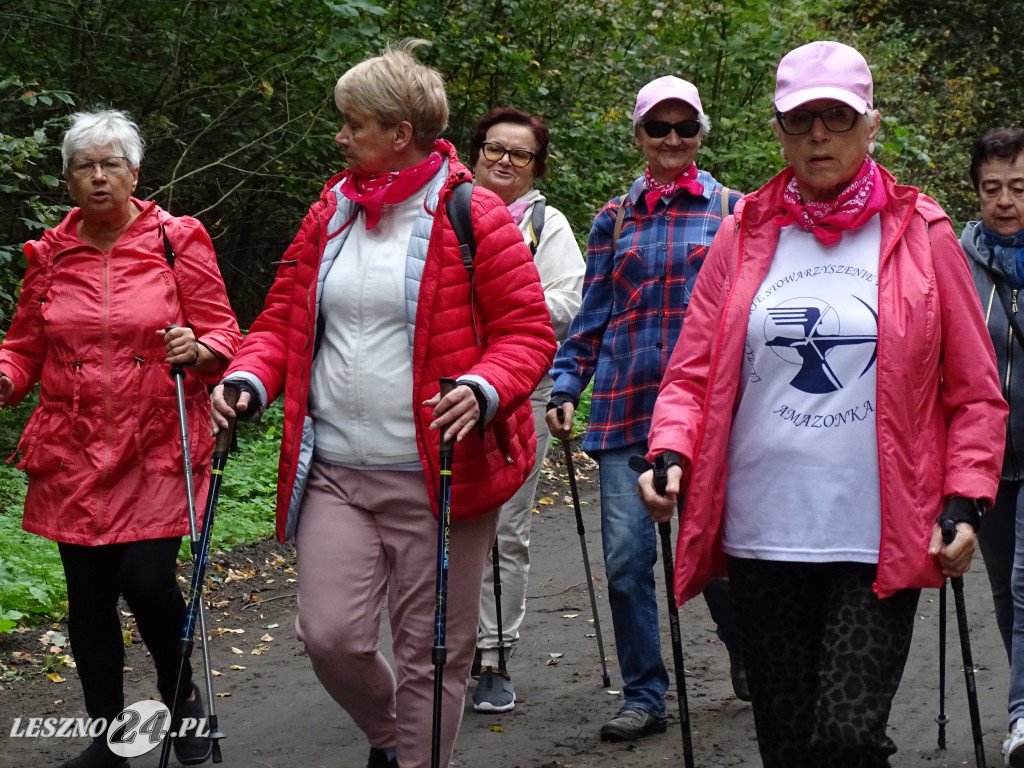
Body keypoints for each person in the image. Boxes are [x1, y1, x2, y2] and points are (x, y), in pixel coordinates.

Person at [637, 41, 1007, 768]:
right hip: (761, 530)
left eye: (836, 118)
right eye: (800, 120)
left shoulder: (922, 233)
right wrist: (669, 450)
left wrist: (965, 499)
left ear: (871, 125)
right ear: (778, 130)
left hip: (878, 532)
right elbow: (691, 371)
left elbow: (975, 393)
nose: (817, 137)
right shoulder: (745, 232)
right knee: (787, 742)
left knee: (845, 736)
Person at [208, 41, 555, 768]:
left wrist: (484, 387)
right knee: (330, 635)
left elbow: (526, 333)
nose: (340, 135)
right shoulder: (329, 212)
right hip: (336, 467)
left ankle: (416, 755)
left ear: (399, 134)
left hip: (441, 477)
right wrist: (248, 379)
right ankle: (396, 743)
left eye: (353, 122)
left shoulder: (475, 215)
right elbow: (280, 323)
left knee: (433, 653)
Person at [0, 109, 242, 768]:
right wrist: (4, 375)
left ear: (135, 173)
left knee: (148, 581)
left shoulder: (176, 241)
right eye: (85, 165)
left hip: (156, 440)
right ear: (69, 180)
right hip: (73, 447)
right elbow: (23, 348)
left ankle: (180, 703)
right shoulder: (49, 256)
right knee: (88, 599)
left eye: (111, 164)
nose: (99, 176)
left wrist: (201, 349)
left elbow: (225, 334)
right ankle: (109, 739)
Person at [545, 75, 746, 742]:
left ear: (698, 136)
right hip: (627, 412)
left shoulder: (733, 213)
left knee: (714, 555)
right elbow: (592, 314)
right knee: (629, 561)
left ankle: (748, 654)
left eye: (683, 128)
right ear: (638, 137)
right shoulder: (615, 219)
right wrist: (567, 383)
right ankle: (644, 693)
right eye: (658, 128)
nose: (671, 140)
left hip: (712, 419)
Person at [466, 107, 584, 713]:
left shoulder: (547, 224)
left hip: (521, 392)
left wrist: (503, 298)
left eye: (519, 154)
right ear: (476, 151)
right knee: (440, 523)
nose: (504, 161)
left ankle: (494, 654)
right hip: (444, 392)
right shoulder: (446, 211)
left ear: (536, 166)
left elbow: (568, 300)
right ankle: (450, 645)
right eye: (495, 149)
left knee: (505, 527)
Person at [960, 127, 1024, 767]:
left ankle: (1021, 715)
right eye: (993, 188)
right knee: (1005, 588)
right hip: (992, 453)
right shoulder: (957, 258)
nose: (1005, 201)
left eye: (1020, 188)